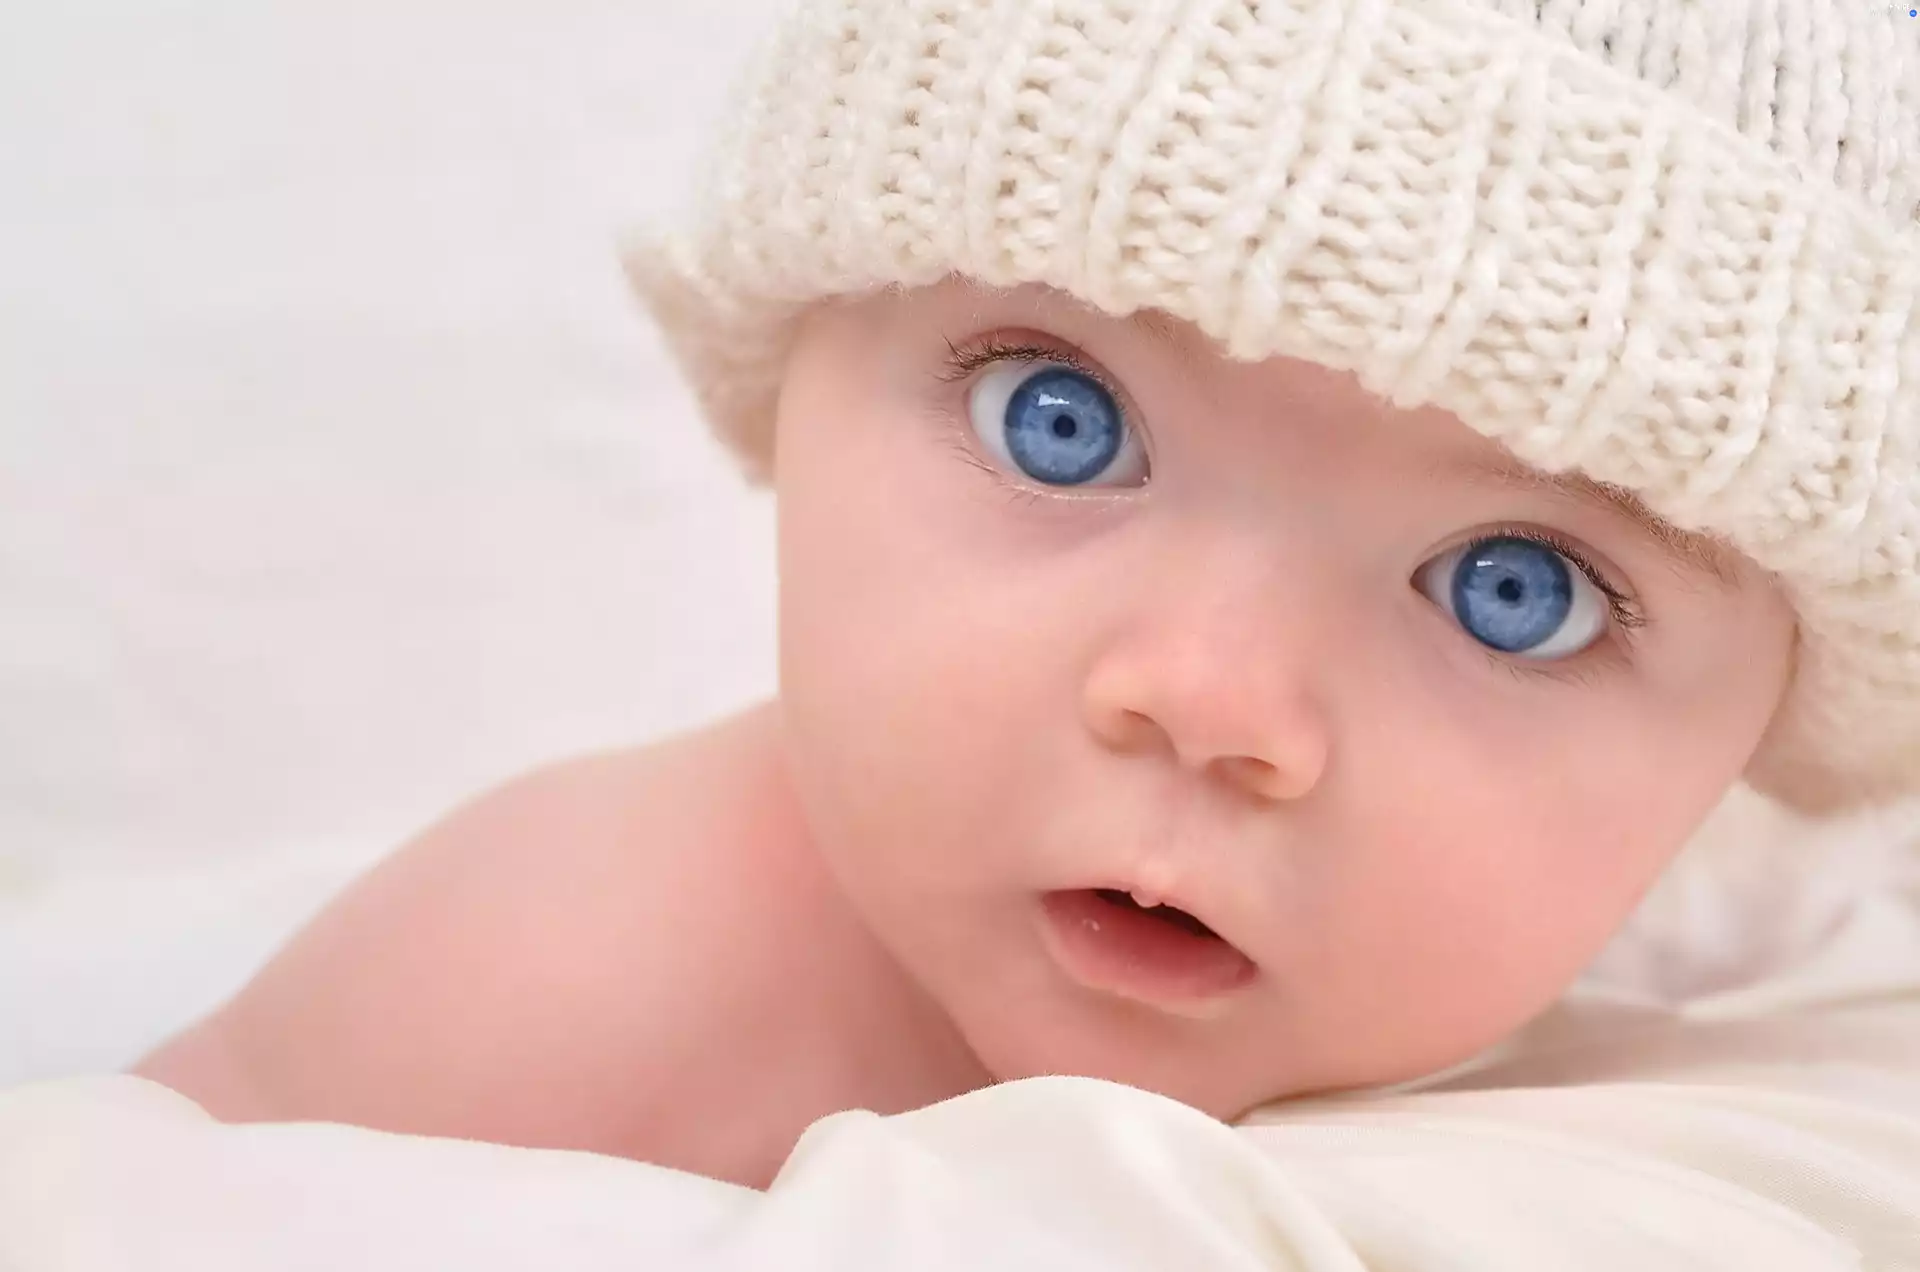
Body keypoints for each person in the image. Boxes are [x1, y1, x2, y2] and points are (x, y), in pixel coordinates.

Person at [133, 0, 1919, 1192]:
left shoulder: (1703, 1088)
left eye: (1514, 592)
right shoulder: (550, 992)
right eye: (1061, 425)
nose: (1213, 700)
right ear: (794, 373)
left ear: (1758, 730)